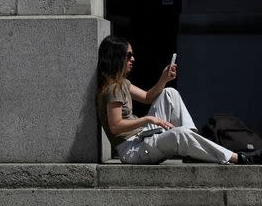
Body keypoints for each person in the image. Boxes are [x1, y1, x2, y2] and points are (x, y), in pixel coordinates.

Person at [96, 35, 262, 165]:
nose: (133, 59)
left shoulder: (122, 83)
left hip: (142, 139)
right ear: (117, 58)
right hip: (132, 150)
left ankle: (195, 147)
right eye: (129, 55)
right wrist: (147, 119)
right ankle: (238, 158)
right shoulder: (112, 89)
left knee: (169, 93)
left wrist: (163, 79)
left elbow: (147, 98)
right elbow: (116, 126)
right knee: (180, 133)